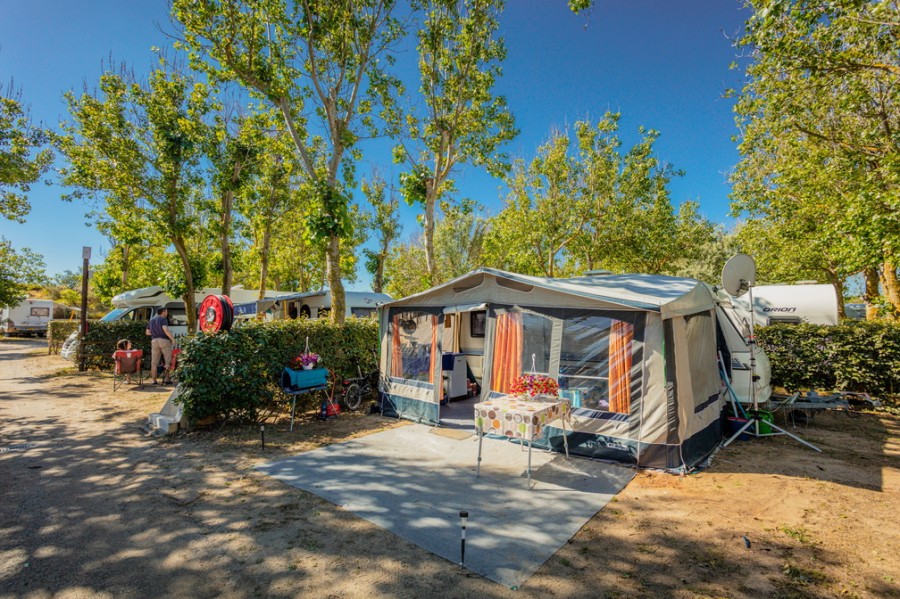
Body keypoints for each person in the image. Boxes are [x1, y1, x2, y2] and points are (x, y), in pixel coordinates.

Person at [146, 307, 175, 384]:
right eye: (166, 312)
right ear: (163, 312)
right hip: (164, 340)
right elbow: (165, 329)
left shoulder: (151, 320)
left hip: (154, 341)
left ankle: (154, 380)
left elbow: (147, 332)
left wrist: (156, 333)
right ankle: (166, 379)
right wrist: (172, 338)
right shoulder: (163, 319)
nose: (167, 313)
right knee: (167, 360)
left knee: (154, 362)